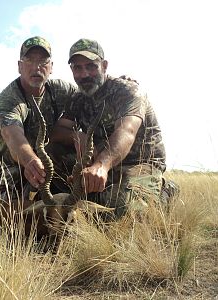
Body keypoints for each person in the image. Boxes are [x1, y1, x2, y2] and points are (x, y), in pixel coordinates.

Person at [51, 38, 179, 218]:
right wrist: (77, 136)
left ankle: (164, 191)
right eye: (77, 68)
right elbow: (58, 131)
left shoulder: (127, 91)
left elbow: (127, 131)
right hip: (102, 164)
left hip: (139, 163)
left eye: (91, 66)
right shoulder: (78, 98)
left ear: (104, 65)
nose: (84, 74)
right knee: (53, 152)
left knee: (120, 212)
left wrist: (101, 165)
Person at [0, 36, 77, 204]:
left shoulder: (62, 90)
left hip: (44, 163)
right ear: (20, 66)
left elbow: (89, 96)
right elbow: (13, 137)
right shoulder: (8, 100)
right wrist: (29, 160)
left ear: (51, 67)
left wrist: (114, 84)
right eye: (29, 61)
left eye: (43, 61)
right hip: (10, 166)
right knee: (12, 216)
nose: (36, 68)